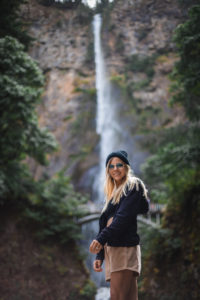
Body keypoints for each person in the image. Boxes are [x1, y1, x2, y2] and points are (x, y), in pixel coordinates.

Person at [89, 150, 150, 300]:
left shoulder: (133, 186)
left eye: (119, 165)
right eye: (111, 166)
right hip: (114, 250)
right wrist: (100, 254)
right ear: (107, 170)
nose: (115, 168)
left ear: (126, 167)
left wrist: (100, 239)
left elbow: (122, 219)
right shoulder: (112, 194)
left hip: (124, 249)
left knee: (117, 297)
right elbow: (105, 225)